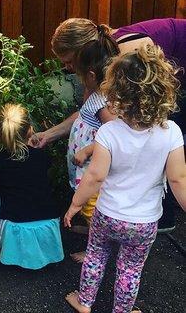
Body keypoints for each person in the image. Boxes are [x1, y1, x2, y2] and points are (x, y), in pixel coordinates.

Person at [64, 44, 186, 313]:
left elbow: (95, 177)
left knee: (95, 256)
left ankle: (84, 302)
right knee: (130, 269)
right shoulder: (171, 133)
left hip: (107, 214)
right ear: (164, 90)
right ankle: (123, 310)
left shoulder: (110, 132)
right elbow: (178, 179)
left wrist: (75, 204)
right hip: (144, 222)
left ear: (116, 90)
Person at [37, 17, 186, 232]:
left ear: (84, 49)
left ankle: (161, 216)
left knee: (166, 135)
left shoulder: (128, 55)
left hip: (176, 64)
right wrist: (49, 135)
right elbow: (88, 112)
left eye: (69, 61)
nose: (67, 68)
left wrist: (92, 149)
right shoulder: (99, 65)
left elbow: (143, 119)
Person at [0, 104, 64, 269]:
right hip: (48, 221)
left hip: (15, 223)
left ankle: (3, 251)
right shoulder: (42, 156)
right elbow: (45, 181)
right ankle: (46, 250)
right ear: (30, 130)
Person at [67, 34, 117, 262]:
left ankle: (96, 251)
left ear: (91, 75)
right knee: (90, 204)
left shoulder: (101, 101)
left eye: (80, 76)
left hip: (91, 164)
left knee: (91, 207)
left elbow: (117, 133)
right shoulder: (99, 95)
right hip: (86, 163)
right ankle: (91, 232)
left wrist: (87, 150)